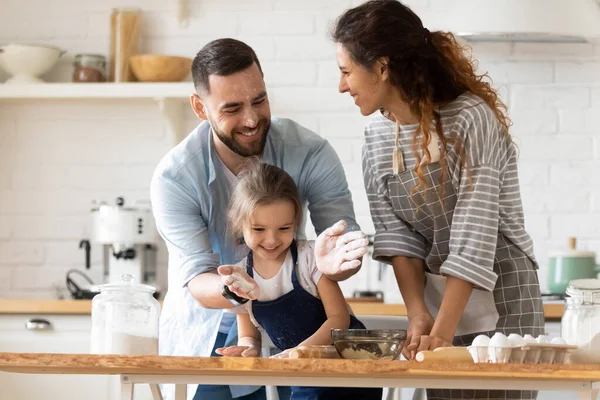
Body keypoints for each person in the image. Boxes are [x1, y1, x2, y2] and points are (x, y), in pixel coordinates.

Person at [331, 1, 544, 399]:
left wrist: (442, 330)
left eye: (346, 71)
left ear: (381, 67)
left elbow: (474, 231)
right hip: (437, 299)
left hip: (504, 296)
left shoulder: (469, 118)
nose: (341, 85)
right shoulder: (377, 139)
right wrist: (418, 315)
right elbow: (398, 237)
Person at [150, 38, 369, 400]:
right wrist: (236, 289)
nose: (251, 119)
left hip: (296, 334)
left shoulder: (310, 152)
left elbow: (343, 242)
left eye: (259, 100)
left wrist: (332, 265)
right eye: (232, 108)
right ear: (200, 108)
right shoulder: (175, 177)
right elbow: (196, 276)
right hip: (211, 334)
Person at [215, 160, 382, 400]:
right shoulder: (241, 277)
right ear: (239, 224)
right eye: (259, 230)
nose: (271, 240)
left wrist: (301, 351)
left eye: (284, 228)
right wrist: (248, 348)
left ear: (296, 222)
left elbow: (339, 319)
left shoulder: (310, 259)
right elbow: (248, 333)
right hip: (304, 374)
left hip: (350, 367)